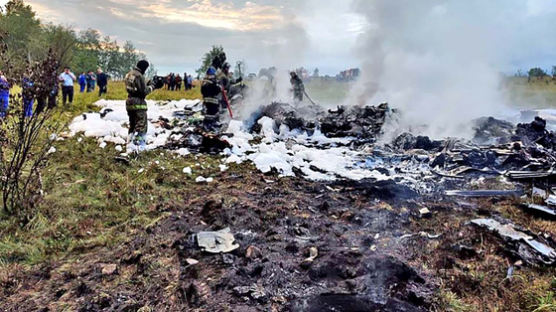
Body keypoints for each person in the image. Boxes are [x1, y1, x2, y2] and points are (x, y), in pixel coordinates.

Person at [124, 60, 163, 151]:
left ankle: (129, 142)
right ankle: (138, 146)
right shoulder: (139, 76)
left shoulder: (129, 74)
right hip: (138, 103)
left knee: (132, 124)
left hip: (129, 101)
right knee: (141, 125)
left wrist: (149, 82)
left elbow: (136, 86)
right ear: (144, 67)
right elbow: (143, 92)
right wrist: (153, 86)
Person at [201, 67, 222, 131]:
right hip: (213, 102)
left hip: (207, 101)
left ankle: (207, 124)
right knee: (213, 114)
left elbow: (202, 91)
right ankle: (211, 125)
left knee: (208, 113)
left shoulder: (204, 82)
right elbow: (217, 90)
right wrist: (219, 87)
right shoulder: (212, 83)